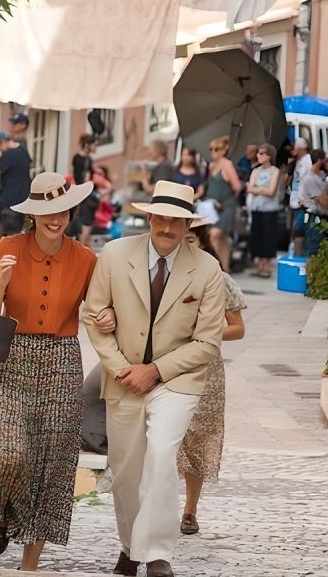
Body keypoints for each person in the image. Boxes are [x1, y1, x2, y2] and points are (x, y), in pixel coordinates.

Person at [83, 181, 226, 577]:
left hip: (176, 381)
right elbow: (93, 317)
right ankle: (130, 547)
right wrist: (120, 368)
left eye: (177, 220)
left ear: (188, 226)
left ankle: (159, 554)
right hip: (123, 377)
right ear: (148, 217)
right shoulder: (113, 255)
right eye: (161, 217)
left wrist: (157, 370)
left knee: (162, 454)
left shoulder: (208, 269)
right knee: (125, 469)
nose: (167, 226)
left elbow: (208, 341)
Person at [0, 172, 116, 572]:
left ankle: (29, 566)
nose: (55, 219)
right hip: (12, 358)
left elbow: (96, 308)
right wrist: (0, 285)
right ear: (33, 215)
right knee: (9, 452)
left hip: (61, 362)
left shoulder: (86, 258)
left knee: (52, 465)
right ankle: (1, 514)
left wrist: (106, 315)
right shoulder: (7, 247)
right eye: (46, 212)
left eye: (62, 211)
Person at [176, 219, 246, 536]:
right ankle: (157, 505)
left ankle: (190, 510)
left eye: (192, 239)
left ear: (203, 241)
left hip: (207, 369)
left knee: (199, 440)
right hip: (166, 364)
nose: (186, 246)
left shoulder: (220, 278)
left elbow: (238, 328)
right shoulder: (162, 276)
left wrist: (205, 333)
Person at [204, 135, 242, 272]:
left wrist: (224, 197)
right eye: (211, 149)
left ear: (223, 150)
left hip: (226, 205)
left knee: (215, 235)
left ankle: (214, 269)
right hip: (212, 207)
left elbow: (237, 187)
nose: (213, 151)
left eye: (217, 149)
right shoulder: (211, 166)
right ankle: (225, 268)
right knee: (223, 238)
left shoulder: (227, 164)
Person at [245, 143, 281, 278]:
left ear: (269, 156)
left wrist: (257, 189)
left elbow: (271, 191)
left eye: (261, 154)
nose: (258, 156)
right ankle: (259, 265)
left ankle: (266, 265)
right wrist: (261, 190)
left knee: (268, 236)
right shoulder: (256, 171)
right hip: (257, 208)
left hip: (269, 209)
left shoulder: (275, 171)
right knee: (257, 236)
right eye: (258, 153)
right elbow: (249, 188)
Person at [297, 149, 328, 256]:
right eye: (325, 160)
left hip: (324, 216)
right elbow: (324, 202)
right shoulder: (309, 179)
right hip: (315, 217)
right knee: (314, 248)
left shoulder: (321, 175)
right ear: (320, 160)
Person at [288, 137, 312, 256]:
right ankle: (296, 254)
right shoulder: (297, 161)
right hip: (294, 200)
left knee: (299, 231)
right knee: (294, 230)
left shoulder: (307, 160)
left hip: (302, 202)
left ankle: (298, 255)